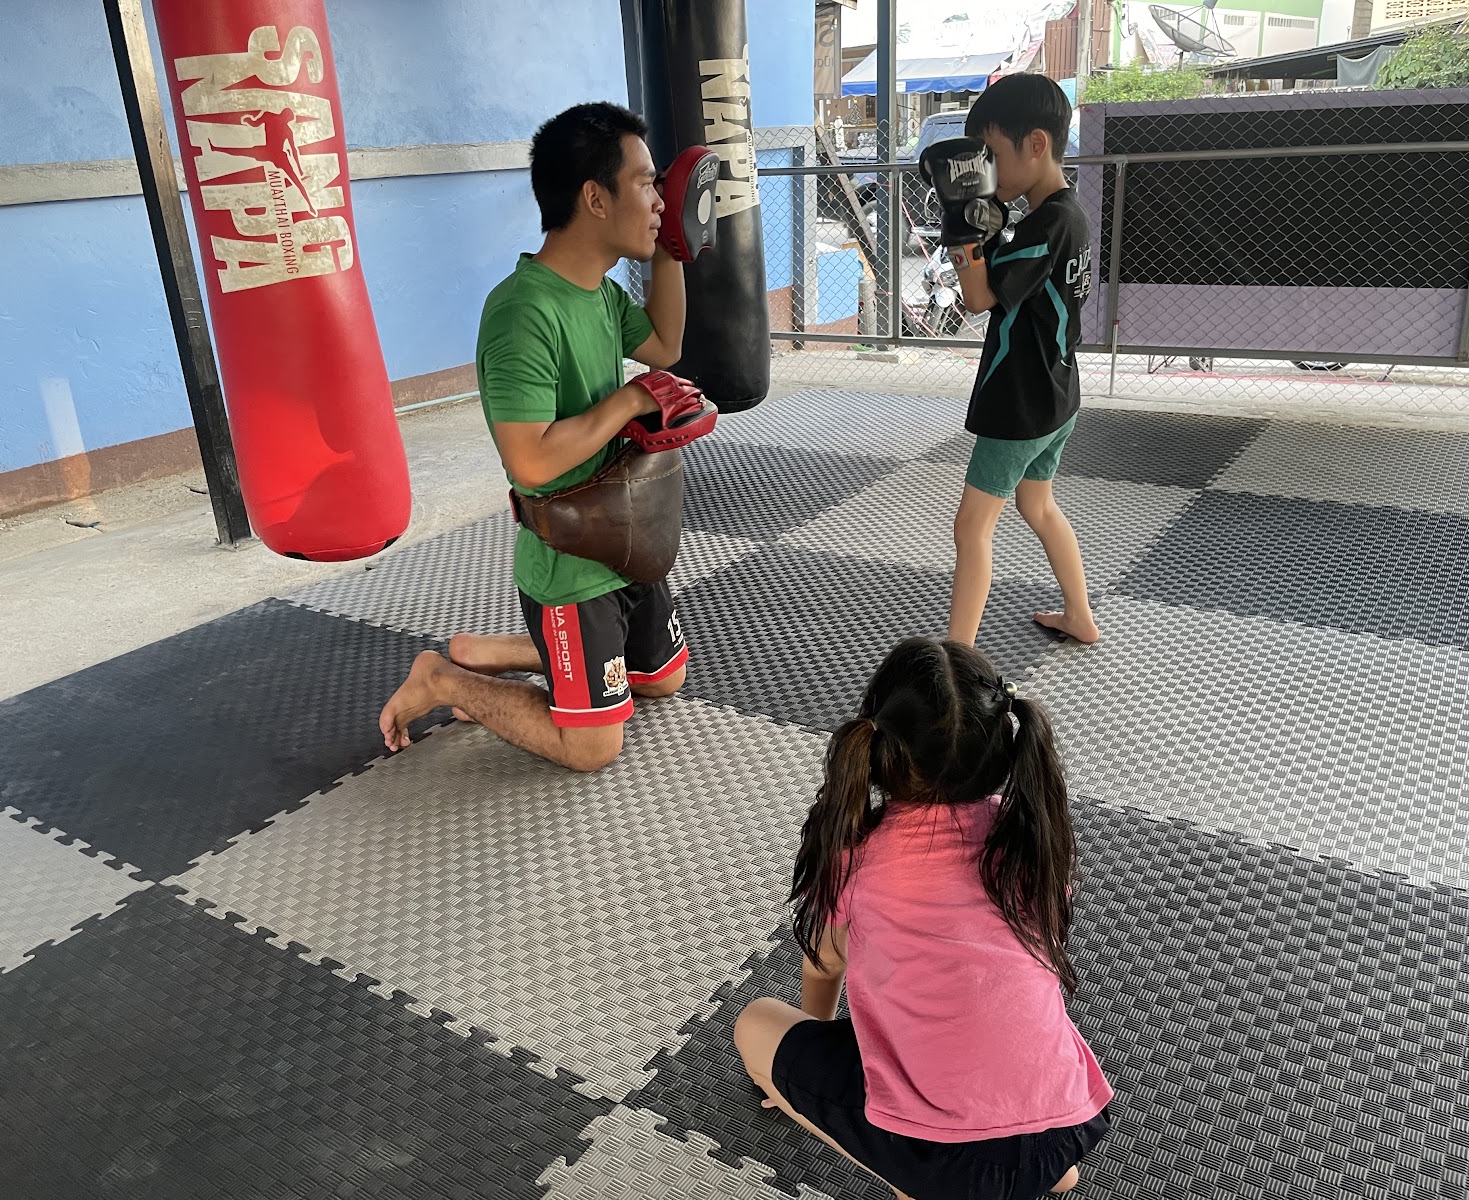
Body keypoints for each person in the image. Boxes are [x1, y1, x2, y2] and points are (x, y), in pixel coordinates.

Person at [734, 637, 1113, 1200]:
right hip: (1066, 1123)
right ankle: (1038, 1175)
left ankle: (916, 1180)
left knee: (755, 1023)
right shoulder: (1030, 835)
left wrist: (810, 1046)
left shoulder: (857, 853)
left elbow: (823, 965)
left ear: (878, 746)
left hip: (945, 1161)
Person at [378, 102, 693, 772]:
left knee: (664, 678)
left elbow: (665, 346)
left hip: (623, 535)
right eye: (645, 184)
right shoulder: (522, 312)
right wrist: (629, 401)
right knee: (593, 746)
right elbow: (529, 460)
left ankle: (513, 651)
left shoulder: (601, 294)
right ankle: (442, 677)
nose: (660, 199)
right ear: (595, 198)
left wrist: (674, 245)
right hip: (568, 557)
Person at [923, 75, 1099, 647]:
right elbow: (1018, 277)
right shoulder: (1067, 216)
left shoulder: (1046, 227)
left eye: (993, 155)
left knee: (971, 526)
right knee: (1038, 505)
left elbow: (978, 298)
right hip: (1058, 392)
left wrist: (963, 231)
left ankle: (958, 658)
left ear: (1037, 144)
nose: (986, 171)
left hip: (1021, 402)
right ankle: (1080, 615)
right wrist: (992, 229)